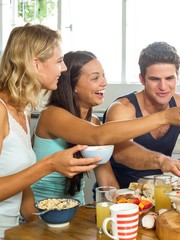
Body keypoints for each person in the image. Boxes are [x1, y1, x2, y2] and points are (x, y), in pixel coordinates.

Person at [0, 24, 102, 238]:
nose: (63, 68)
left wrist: (42, 227)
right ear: (36, 63)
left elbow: (22, 185)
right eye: (58, 61)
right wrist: (50, 164)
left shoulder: (23, 110)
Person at [102, 41, 180, 188]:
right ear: (142, 79)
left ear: (177, 77)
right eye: (154, 79)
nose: (163, 87)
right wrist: (162, 160)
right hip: (121, 195)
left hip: (160, 193)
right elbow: (120, 153)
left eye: (169, 78)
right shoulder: (122, 108)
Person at [31, 51, 120, 205]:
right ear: (73, 86)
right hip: (39, 214)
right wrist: (162, 117)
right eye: (95, 78)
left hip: (76, 210)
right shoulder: (52, 115)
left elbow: (107, 180)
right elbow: (98, 135)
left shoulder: (93, 122)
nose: (104, 82)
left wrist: (122, 207)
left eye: (103, 75)